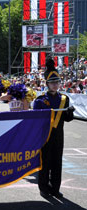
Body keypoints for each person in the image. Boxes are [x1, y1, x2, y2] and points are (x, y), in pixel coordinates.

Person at [33, 58, 75, 199]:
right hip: (45, 135)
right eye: (52, 83)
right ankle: (44, 188)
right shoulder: (40, 100)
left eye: (57, 82)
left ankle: (55, 188)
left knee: (57, 162)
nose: (55, 85)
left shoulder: (64, 99)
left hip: (58, 136)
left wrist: (69, 112)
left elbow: (67, 119)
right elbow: (35, 119)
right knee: (45, 162)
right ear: (47, 84)